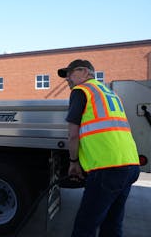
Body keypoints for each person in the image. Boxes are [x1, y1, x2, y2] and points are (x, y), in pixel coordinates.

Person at [57, 59, 140, 237]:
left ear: (85, 72)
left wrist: (73, 162)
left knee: (84, 227)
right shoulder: (109, 94)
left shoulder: (82, 91)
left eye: (70, 73)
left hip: (107, 168)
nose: (67, 79)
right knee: (112, 225)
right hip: (130, 165)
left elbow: (72, 133)